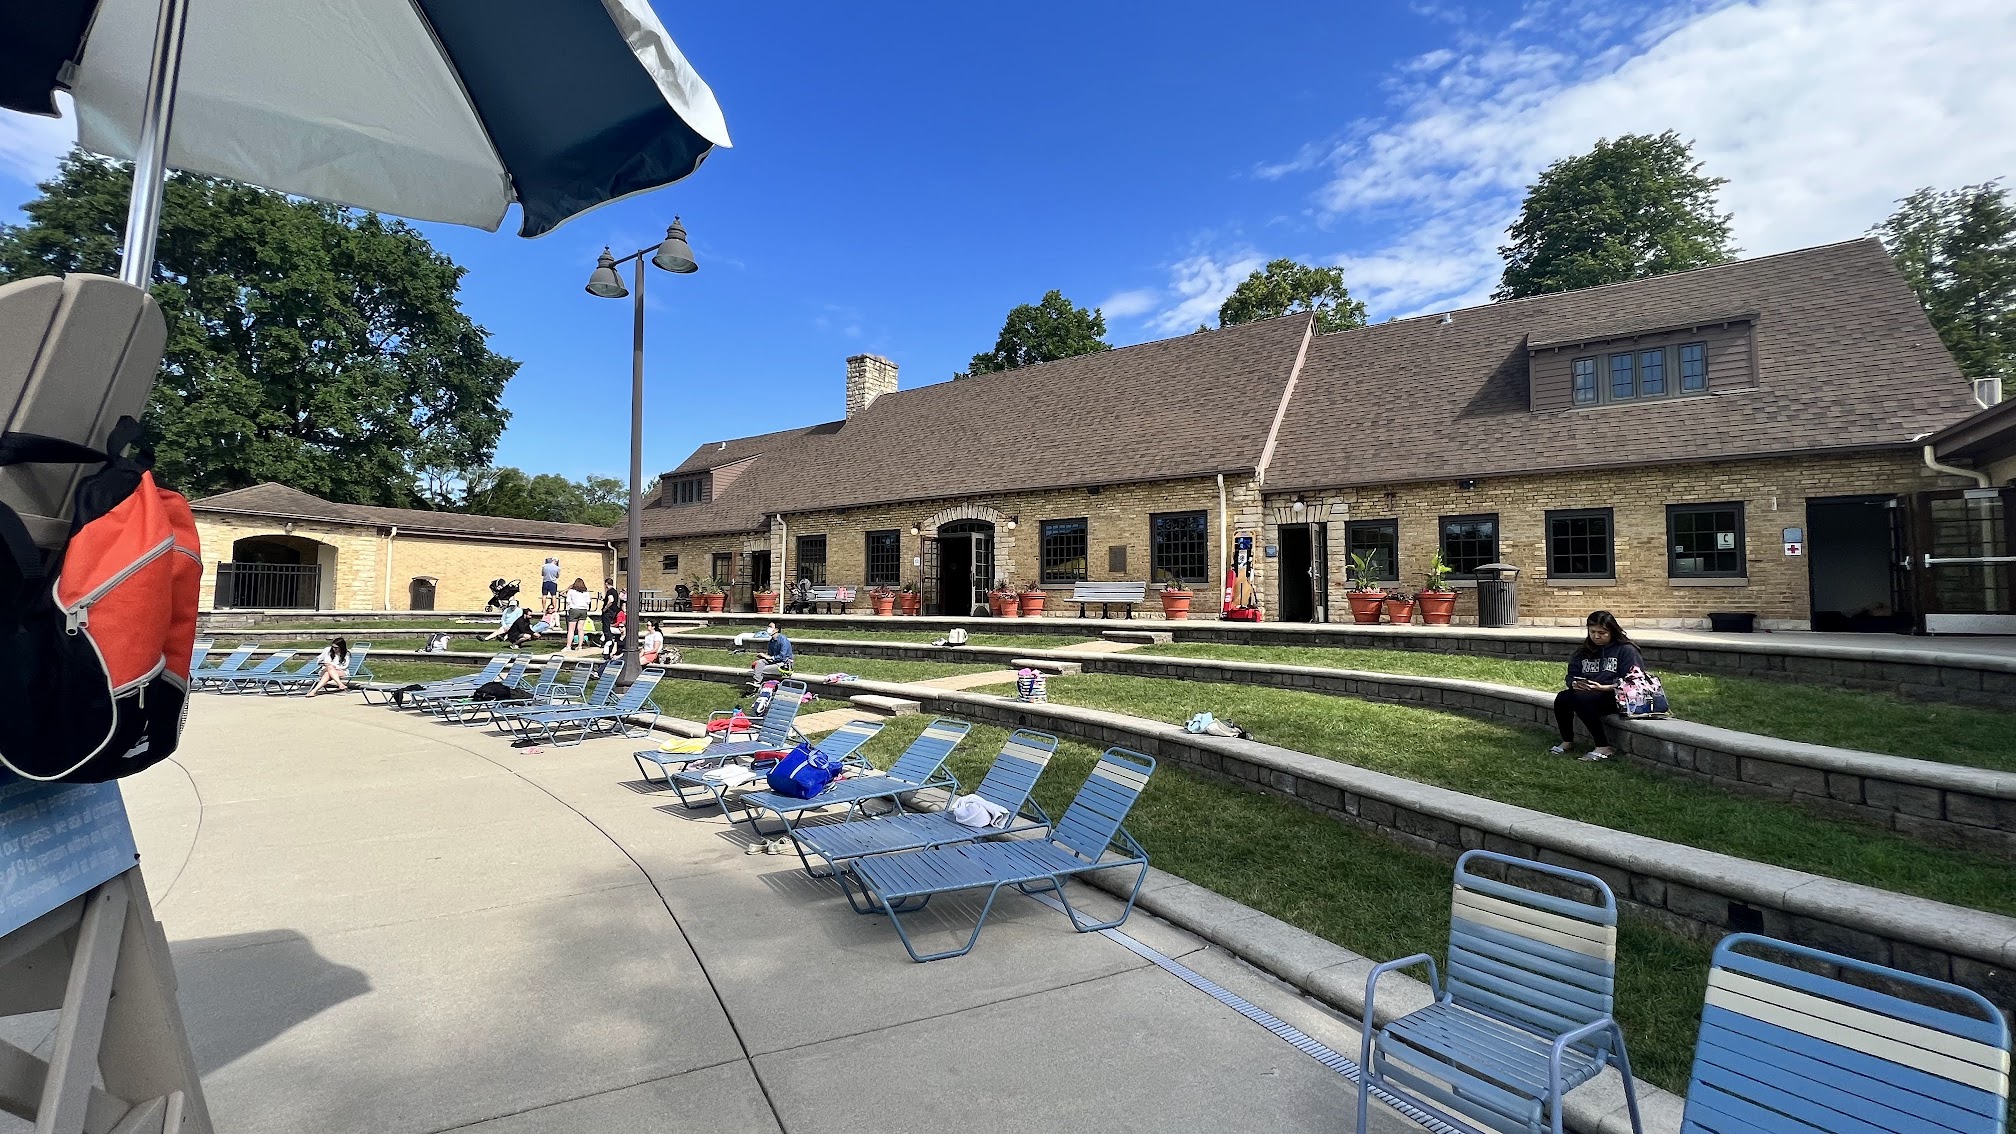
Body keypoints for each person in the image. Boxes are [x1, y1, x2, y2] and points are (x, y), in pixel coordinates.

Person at [1552, 610, 1642, 762]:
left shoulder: (1626, 650)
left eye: (1602, 633)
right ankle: (1567, 741)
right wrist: (1574, 683)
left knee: (1581, 699)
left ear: (1612, 631)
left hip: (1617, 696)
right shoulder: (1584, 651)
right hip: (1590, 693)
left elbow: (1634, 680)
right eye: (1592, 632)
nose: (1596, 636)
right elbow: (1571, 675)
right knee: (1563, 698)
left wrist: (1603, 688)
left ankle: (1603, 746)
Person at [563, 577, 594, 650]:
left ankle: (568, 646)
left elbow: (568, 601)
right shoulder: (586, 592)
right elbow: (588, 601)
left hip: (574, 609)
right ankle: (580, 646)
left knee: (571, 629)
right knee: (580, 628)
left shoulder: (571, 591)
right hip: (583, 610)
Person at [599, 576, 623, 644]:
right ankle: (609, 640)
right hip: (613, 611)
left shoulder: (610, 591)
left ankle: (608, 641)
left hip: (609, 611)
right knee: (608, 625)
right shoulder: (615, 591)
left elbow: (611, 600)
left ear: (606, 583)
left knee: (606, 627)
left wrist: (605, 608)